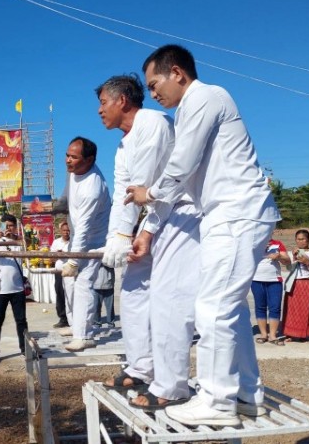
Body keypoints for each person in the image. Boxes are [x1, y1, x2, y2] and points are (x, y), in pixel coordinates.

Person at [127, 44, 281, 426]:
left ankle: (217, 400)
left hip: (236, 213)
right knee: (228, 308)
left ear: (177, 73)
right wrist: (150, 224)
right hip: (224, 215)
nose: (153, 94)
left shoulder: (206, 97)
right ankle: (247, 394)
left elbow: (181, 164)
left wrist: (150, 194)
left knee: (211, 308)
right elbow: (184, 178)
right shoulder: (189, 112)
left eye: (154, 83)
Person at [94, 74, 201, 411]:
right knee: (133, 291)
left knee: (170, 299)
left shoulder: (152, 123)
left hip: (181, 215)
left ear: (122, 100)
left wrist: (137, 234)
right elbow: (123, 196)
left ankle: (172, 385)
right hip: (151, 220)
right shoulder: (123, 144)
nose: (99, 111)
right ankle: (141, 367)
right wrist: (117, 238)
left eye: (103, 103)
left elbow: (144, 191)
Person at [56, 137, 111, 352]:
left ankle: (85, 335)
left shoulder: (93, 188)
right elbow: (67, 197)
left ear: (89, 160)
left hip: (93, 240)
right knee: (69, 284)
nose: (68, 160)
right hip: (79, 236)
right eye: (67, 155)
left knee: (83, 284)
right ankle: (75, 324)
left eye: (74, 157)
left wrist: (73, 261)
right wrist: (54, 206)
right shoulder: (73, 172)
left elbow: (85, 229)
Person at [0, 213, 29, 364]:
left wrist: (16, 236)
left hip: (17, 289)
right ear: (2, 226)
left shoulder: (18, 241)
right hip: (0, 290)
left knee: (21, 321)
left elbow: (29, 243)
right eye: (7, 226)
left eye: (12, 226)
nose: (9, 228)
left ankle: (25, 349)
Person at [251, 238, 291, 345]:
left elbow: (287, 261)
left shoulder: (277, 244)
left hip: (274, 280)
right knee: (260, 307)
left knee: (275, 307)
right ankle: (263, 334)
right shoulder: (253, 242)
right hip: (256, 279)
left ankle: (273, 335)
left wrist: (279, 256)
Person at [281, 230, 309, 342]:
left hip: (307, 282)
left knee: (306, 310)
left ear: (308, 240)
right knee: (291, 309)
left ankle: (303, 334)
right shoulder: (293, 252)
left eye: (303, 239)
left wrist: (308, 263)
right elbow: (288, 269)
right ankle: (289, 334)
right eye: (298, 239)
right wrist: (293, 258)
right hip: (294, 283)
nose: (300, 241)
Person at [49, 222, 71, 328]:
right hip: (59, 272)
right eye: (64, 230)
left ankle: (72, 317)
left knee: (71, 295)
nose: (66, 232)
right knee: (60, 294)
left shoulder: (74, 242)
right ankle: (63, 318)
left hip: (71, 273)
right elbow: (51, 259)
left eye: (68, 230)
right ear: (60, 232)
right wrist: (58, 254)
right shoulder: (56, 242)